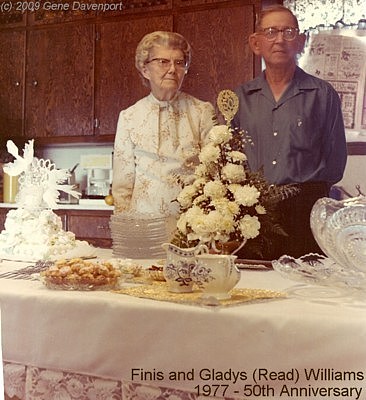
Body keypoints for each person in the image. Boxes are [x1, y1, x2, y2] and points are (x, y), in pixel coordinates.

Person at [232, 5, 347, 259]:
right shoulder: (240, 98)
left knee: (303, 289)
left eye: (289, 32)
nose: (280, 40)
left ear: (301, 41)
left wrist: (301, 194)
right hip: (252, 215)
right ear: (256, 43)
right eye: (271, 32)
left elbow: (335, 161)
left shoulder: (322, 94)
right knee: (255, 290)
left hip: (305, 214)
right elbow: (228, 158)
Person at [112, 31, 217, 218]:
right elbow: (122, 185)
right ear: (145, 70)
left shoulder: (202, 111)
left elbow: (215, 174)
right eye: (163, 62)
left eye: (179, 63)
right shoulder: (129, 117)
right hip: (143, 225)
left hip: (192, 225)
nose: (172, 70)